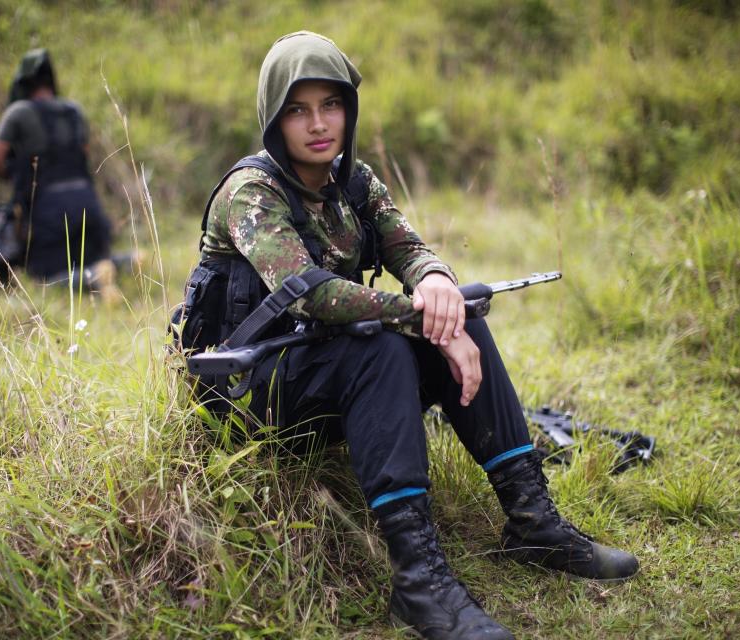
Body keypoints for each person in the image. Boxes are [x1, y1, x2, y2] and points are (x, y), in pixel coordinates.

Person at [183, 32, 638, 639]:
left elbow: (410, 247)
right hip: (247, 392)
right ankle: (418, 581)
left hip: (324, 372)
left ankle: (532, 522)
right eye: (298, 109)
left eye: (332, 104)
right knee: (386, 341)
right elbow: (311, 293)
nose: (319, 124)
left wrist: (437, 285)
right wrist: (420, 316)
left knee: (461, 311)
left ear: (350, 107)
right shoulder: (252, 193)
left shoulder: (354, 181)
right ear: (273, 118)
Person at [0, 49, 115, 288]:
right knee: (93, 258)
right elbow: (82, 154)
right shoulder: (74, 111)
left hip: (50, 210)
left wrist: (18, 176)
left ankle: (95, 280)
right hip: (88, 202)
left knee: (43, 280)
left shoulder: (19, 112)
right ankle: (128, 262)